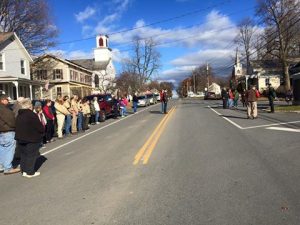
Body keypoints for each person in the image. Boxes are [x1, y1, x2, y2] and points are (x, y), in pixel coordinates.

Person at [15, 98, 44, 178]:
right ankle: (30, 172)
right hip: (31, 138)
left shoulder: (19, 115)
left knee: (24, 155)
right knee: (31, 155)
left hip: (21, 137)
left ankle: (24, 170)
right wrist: (42, 132)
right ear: (29, 106)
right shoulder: (31, 115)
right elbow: (39, 127)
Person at [0, 94, 20, 175]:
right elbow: (11, 120)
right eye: (7, 100)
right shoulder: (4, 109)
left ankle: (2, 166)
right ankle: (8, 168)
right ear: (2, 100)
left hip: (1, 132)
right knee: (9, 150)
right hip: (7, 131)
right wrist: (15, 126)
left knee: (2, 149)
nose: (8, 101)